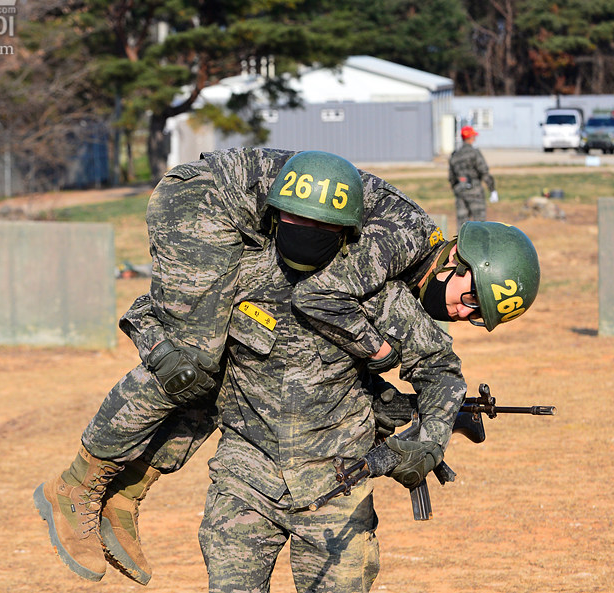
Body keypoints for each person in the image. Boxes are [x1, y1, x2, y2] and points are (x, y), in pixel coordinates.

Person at [32, 149, 540, 584]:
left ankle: (129, 489)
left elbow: (406, 360)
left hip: (257, 225)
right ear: (460, 258)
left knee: (227, 367)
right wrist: (378, 353)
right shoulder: (401, 242)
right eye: (471, 298)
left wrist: (423, 424)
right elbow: (322, 296)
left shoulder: (399, 267)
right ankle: (79, 480)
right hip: (206, 201)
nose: (463, 313)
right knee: (188, 360)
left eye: (477, 318)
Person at [449, 125, 497, 227]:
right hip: (475, 191)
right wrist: (492, 189)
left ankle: (461, 243)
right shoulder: (474, 153)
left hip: (460, 191)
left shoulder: (455, 154)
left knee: (462, 227)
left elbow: (451, 177)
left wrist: (457, 189)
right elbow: (484, 171)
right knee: (479, 225)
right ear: (471, 138)